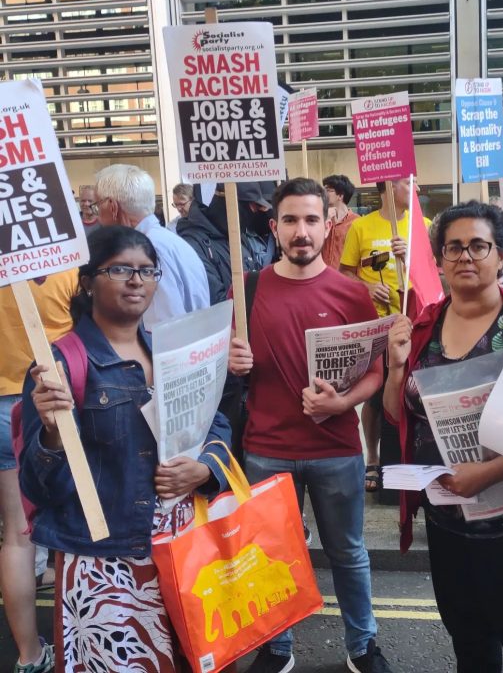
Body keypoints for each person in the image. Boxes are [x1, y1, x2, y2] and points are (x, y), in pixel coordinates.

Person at [19, 226, 233, 673]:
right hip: (106, 566)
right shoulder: (60, 365)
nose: (137, 280)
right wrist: (54, 434)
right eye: (120, 269)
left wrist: (203, 468)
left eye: (147, 270)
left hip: (182, 552)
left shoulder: (172, 352)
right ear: (89, 281)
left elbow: (215, 422)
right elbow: (38, 488)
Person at [383, 202, 503, 673]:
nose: (466, 257)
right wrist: (394, 367)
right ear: (439, 258)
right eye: (454, 247)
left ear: (500, 254)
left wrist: (488, 474)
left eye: (478, 246)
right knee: (468, 641)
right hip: (446, 519)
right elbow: (399, 415)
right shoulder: (424, 326)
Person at [228, 178, 393, 673]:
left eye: (312, 220)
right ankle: (277, 648)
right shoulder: (246, 290)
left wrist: (343, 404)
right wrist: (232, 362)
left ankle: (363, 644)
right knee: (271, 556)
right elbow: (230, 364)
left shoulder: (352, 293)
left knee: (348, 554)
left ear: (328, 225)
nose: (302, 231)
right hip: (265, 448)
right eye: (292, 221)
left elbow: (375, 373)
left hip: (337, 449)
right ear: (274, 227)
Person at [1, 272, 77, 673]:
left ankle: (29, 657)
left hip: (1, 402)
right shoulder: (63, 265)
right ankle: (77, 645)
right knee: (68, 524)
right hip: (53, 397)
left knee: (17, 536)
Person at [339, 177, 413, 492]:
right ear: (389, 187)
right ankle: (373, 457)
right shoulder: (361, 227)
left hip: (411, 322)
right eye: (408, 184)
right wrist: (369, 288)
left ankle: (408, 457)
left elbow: (434, 271)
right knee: (373, 395)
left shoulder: (421, 226)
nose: (416, 190)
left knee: (409, 394)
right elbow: (345, 273)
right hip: (374, 324)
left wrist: (409, 256)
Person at [93, 164, 210, 329]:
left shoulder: (147, 252)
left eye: (97, 206)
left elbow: (162, 331)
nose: (97, 217)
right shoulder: (169, 240)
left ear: (113, 207)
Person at [175, 188, 232, 305]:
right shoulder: (192, 240)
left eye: (182, 204)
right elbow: (216, 296)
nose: (179, 209)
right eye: (176, 205)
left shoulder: (231, 233)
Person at [210, 181, 278, 272]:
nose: (263, 211)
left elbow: (256, 275)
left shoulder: (241, 238)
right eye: (254, 206)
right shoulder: (201, 243)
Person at [322, 174, 358, 269]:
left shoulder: (357, 222)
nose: (323, 193)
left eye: (328, 190)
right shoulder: (320, 219)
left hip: (345, 277)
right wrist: (324, 219)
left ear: (340, 196)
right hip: (321, 276)